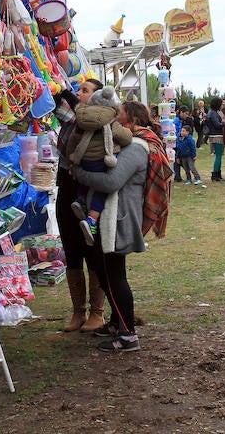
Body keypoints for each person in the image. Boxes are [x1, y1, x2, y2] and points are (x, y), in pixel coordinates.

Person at [74, 101, 153, 352]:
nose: (114, 119)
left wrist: (79, 174)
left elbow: (112, 181)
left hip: (118, 221)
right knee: (106, 273)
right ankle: (118, 323)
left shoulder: (137, 147)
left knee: (115, 276)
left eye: (119, 115)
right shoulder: (125, 145)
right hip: (111, 219)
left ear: (132, 121)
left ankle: (128, 335)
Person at [53, 80, 106, 333]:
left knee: (94, 252)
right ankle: (78, 312)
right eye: (79, 89)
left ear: (97, 98)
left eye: (85, 91)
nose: (78, 93)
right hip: (66, 190)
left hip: (90, 193)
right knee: (72, 251)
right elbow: (56, 109)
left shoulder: (99, 122)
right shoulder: (70, 121)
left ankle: (97, 313)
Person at [66, 86, 132, 245]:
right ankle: (92, 219)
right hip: (101, 162)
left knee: (86, 180)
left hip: (84, 159)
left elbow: (72, 140)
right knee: (101, 189)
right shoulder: (110, 120)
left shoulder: (81, 118)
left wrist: (71, 159)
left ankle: (80, 199)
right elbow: (126, 138)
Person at [205, 97, 225, 181]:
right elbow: (217, 125)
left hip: (214, 135)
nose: (222, 106)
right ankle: (216, 174)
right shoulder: (213, 113)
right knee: (219, 156)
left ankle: (217, 174)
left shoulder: (211, 113)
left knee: (218, 155)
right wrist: (224, 123)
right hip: (217, 136)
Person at [172, 106, 194, 182]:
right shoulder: (176, 121)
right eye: (186, 114)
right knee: (179, 160)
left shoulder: (182, 121)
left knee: (180, 160)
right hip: (177, 142)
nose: (187, 116)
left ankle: (179, 176)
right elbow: (175, 132)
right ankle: (178, 176)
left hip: (179, 142)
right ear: (181, 112)